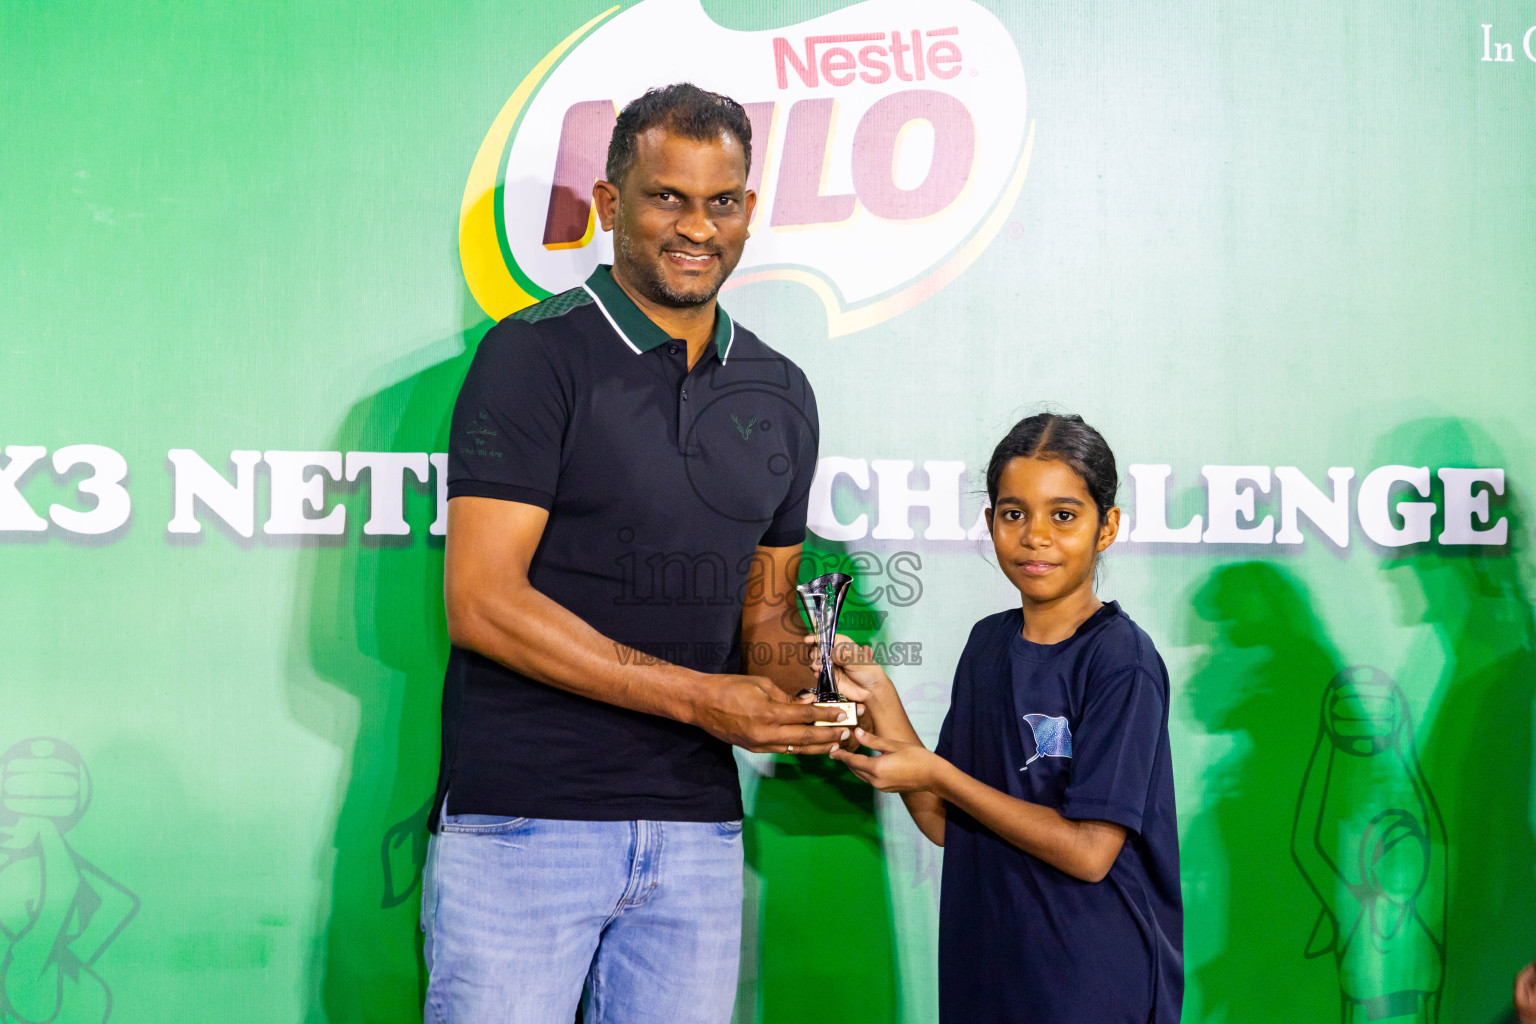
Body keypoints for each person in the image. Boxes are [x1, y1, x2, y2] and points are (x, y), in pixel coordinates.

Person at [423, 83, 844, 1024]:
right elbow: (483, 601)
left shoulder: (783, 390)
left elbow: (766, 615)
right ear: (611, 205)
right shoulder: (533, 357)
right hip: (525, 827)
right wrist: (702, 697)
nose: (698, 227)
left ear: (749, 210)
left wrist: (822, 685)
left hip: (696, 836)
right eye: (668, 197)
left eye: (723, 201)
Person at [825, 412, 1183, 1023]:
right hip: (986, 973)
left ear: (1108, 527)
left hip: (1088, 981)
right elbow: (944, 821)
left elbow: (1091, 851)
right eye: (1014, 514)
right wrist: (880, 698)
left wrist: (936, 774)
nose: (1035, 535)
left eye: (1063, 516)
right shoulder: (987, 644)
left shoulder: (1121, 658)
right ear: (991, 523)